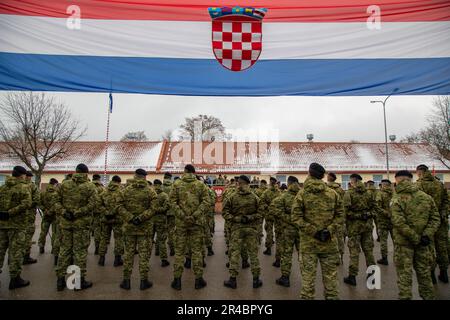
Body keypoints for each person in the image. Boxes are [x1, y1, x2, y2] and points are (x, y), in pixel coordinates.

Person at [292, 163, 343, 299]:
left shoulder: (301, 194)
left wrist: (313, 231)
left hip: (309, 245)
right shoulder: (333, 194)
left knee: (308, 284)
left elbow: (296, 217)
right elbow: (340, 215)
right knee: (331, 284)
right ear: (322, 176)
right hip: (329, 244)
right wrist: (329, 231)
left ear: (309, 173)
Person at [391, 170, 441, 299]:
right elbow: (435, 218)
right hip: (424, 244)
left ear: (398, 180)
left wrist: (415, 238)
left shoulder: (396, 199)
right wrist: (426, 235)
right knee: (425, 276)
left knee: (404, 278)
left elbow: (398, 222)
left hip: (404, 245)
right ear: (411, 179)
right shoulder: (426, 197)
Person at [55, 163, 98, 291]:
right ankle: (77, 282)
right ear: (86, 173)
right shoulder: (90, 187)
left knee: (64, 251)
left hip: (66, 224)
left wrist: (65, 212)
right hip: (81, 225)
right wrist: (77, 213)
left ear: (76, 171)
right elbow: (93, 204)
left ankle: (60, 280)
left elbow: (56, 202)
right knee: (79, 252)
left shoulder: (64, 185)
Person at [169, 164, 211, 290]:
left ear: (185, 171)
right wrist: (194, 216)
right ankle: (198, 280)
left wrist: (182, 216)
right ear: (194, 172)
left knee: (179, 252)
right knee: (197, 251)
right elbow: (206, 202)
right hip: (196, 223)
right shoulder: (200, 185)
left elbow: (172, 202)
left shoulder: (176, 184)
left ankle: (177, 281)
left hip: (181, 224)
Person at [116, 169, 156, 290]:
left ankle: (126, 281)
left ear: (135, 176)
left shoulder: (125, 190)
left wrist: (130, 218)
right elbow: (154, 209)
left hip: (129, 228)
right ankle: (143, 281)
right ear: (144, 177)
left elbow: (118, 206)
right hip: (144, 228)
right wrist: (141, 218)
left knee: (128, 254)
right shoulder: (150, 191)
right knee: (144, 255)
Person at [223, 175, 263, 289]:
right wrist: (250, 218)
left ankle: (233, 280)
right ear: (248, 183)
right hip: (251, 229)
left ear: (239, 183)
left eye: (238, 182)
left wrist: (237, 219)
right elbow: (260, 213)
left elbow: (225, 213)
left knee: (235, 253)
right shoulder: (255, 197)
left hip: (236, 229)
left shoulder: (232, 197)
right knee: (253, 254)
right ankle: (256, 280)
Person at [415, 164, 449, 283]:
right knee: (442, 247)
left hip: (427, 222)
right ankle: (444, 272)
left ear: (419, 172)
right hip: (441, 220)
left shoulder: (418, 185)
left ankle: (431, 274)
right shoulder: (439, 183)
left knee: (429, 248)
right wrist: (443, 212)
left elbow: (417, 205)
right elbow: (446, 201)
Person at [343, 173, 378, 286]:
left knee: (354, 253)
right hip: (367, 227)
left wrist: (357, 216)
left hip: (354, 228)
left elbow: (346, 212)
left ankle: (352, 277)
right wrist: (367, 214)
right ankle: (372, 276)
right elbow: (375, 209)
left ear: (353, 181)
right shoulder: (369, 193)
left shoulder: (349, 194)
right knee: (369, 252)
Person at [0, 166, 32, 289]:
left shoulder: (2, 188)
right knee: (16, 252)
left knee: (1, 250)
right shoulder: (24, 187)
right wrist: (11, 213)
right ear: (22, 175)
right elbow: (27, 204)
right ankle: (15, 279)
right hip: (17, 225)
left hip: (2, 224)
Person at [272, 176, 301, 287]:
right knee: (303, 254)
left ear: (288, 184)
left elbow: (274, 209)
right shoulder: (304, 195)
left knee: (287, 253)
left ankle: (285, 278)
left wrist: (288, 219)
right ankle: (307, 277)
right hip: (302, 229)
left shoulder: (283, 196)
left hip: (288, 229)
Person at [97, 175, 124, 267]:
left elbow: (98, 205)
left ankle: (101, 258)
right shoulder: (121, 193)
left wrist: (106, 213)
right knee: (118, 239)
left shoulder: (104, 193)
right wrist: (113, 213)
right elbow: (122, 206)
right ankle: (117, 259)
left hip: (105, 219)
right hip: (117, 219)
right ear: (119, 182)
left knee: (104, 239)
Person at [38, 178, 60, 265]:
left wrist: (45, 210)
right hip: (54, 216)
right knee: (55, 233)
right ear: (55, 184)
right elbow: (57, 204)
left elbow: (39, 203)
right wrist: (51, 211)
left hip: (46, 216)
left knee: (43, 232)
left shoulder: (43, 193)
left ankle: (41, 247)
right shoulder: (57, 193)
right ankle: (53, 250)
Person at [150, 179, 170, 267]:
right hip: (161, 219)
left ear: (154, 185)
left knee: (148, 241)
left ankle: (145, 260)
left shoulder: (150, 194)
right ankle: (164, 260)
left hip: (150, 220)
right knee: (162, 240)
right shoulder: (164, 195)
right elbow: (166, 207)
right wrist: (159, 210)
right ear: (160, 185)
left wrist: (153, 210)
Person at [326, 172, 345, 263]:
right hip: (338, 216)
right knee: (339, 237)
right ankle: (340, 257)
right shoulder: (340, 189)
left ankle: (332, 258)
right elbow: (344, 203)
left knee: (330, 237)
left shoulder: (326, 188)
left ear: (329, 178)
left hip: (328, 217)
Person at [260, 177, 280, 257]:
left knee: (269, 231)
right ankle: (278, 253)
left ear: (270, 182)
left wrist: (267, 207)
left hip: (268, 214)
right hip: (277, 214)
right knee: (278, 232)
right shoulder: (279, 192)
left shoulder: (266, 192)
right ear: (275, 183)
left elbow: (261, 202)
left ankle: (268, 249)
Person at [376, 179, 394, 265]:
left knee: (383, 240)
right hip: (394, 220)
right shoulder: (395, 194)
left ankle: (384, 258)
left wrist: (386, 213)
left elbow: (377, 207)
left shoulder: (380, 194)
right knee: (396, 240)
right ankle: (398, 258)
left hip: (383, 220)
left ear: (383, 185)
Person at [23, 171, 39, 265]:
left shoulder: (6, 187)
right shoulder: (32, 186)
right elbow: (37, 199)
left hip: (11, 218)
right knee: (28, 236)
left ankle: (11, 259)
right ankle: (26, 256)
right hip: (28, 216)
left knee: (12, 239)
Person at [162, 172, 175, 256]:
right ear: (170, 178)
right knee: (171, 230)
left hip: (161, 212)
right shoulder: (173, 187)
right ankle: (172, 248)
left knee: (162, 231)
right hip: (172, 212)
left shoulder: (160, 187)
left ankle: (159, 250)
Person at [92, 174, 105, 255]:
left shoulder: (88, 186)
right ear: (99, 179)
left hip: (87, 212)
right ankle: (97, 247)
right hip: (98, 212)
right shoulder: (102, 188)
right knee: (98, 229)